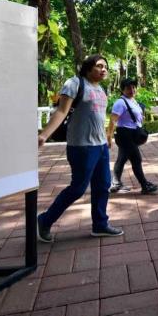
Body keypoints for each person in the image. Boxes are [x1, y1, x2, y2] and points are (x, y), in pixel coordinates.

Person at [36, 54, 122, 242]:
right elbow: (61, 111)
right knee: (78, 188)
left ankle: (100, 224)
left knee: (103, 185)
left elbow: (99, 117)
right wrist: (44, 134)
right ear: (88, 67)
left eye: (106, 66)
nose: (104, 69)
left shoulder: (101, 89)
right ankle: (44, 220)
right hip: (82, 147)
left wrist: (108, 137)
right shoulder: (75, 83)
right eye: (99, 66)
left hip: (100, 147)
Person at [108, 77, 158, 195]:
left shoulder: (133, 100)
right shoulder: (120, 102)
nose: (131, 90)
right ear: (122, 90)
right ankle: (144, 185)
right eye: (128, 88)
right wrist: (108, 137)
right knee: (136, 159)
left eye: (133, 87)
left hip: (131, 134)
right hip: (125, 135)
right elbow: (112, 121)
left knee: (121, 159)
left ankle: (116, 183)